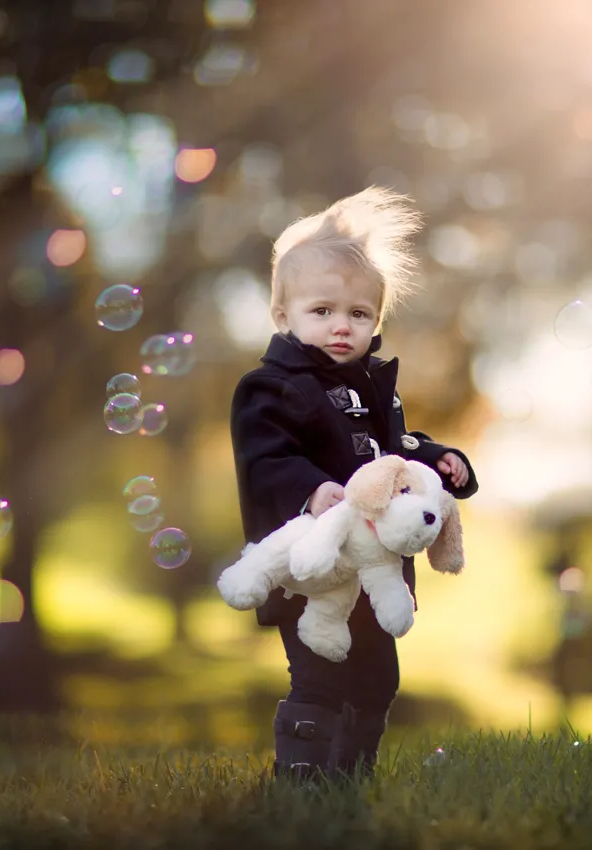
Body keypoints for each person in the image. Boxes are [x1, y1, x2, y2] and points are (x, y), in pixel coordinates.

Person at [229, 186, 478, 782]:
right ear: (283, 316)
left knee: (377, 676)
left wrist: (442, 459)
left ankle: (350, 775)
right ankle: (304, 777)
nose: (342, 326)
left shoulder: (372, 388)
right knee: (320, 669)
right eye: (322, 311)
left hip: (374, 564)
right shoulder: (271, 388)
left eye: (359, 314)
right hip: (310, 564)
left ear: (376, 321)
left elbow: (397, 450)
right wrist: (311, 488)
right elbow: (265, 458)